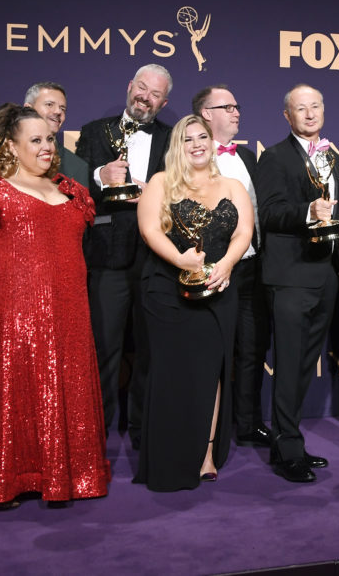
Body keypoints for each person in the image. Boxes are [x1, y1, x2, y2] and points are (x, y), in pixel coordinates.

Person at [0, 103, 109, 509]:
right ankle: (3, 478)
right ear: (11, 147)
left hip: (67, 314)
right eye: (36, 140)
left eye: (49, 138)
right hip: (12, 317)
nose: (47, 146)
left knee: (59, 391)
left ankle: (66, 474)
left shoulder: (71, 189)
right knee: (14, 393)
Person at [135, 115, 253, 491]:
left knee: (210, 372)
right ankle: (169, 456)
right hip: (167, 288)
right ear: (177, 146)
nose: (197, 144)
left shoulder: (233, 185)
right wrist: (181, 260)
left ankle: (204, 454)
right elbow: (150, 229)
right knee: (172, 373)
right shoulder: (161, 182)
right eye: (188, 139)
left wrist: (228, 263)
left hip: (219, 288)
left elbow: (244, 232)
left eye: (203, 136)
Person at [75, 64, 174, 449]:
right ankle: (94, 438)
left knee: (151, 349)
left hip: (156, 259)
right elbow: (72, 183)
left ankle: (143, 432)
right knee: (104, 350)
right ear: (130, 86)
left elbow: (185, 191)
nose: (144, 97)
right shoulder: (94, 131)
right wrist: (102, 174)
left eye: (154, 94)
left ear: (162, 103)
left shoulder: (172, 138)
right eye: (141, 88)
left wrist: (156, 190)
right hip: (107, 257)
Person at [255, 84, 339, 483]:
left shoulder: (330, 155)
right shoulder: (274, 157)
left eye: (315, 106)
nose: (309, 114)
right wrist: (308, 210)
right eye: (300, 109)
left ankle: (288, 438)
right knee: (289, 364)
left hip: (325, 273)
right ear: (287, 116)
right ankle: (287, 447)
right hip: (290, 276)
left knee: (306, 363)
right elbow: (270, 213)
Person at [194, 85, 272, 448]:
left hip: (252, 268)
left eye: (238, 106)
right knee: (211, 352)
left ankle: (248, 422)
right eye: (228, 106)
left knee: (252, 348)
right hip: (211, 269)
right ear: (206, 113)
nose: (237, 112)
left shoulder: (249, 158)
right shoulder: (191, 157)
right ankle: (209, 430)